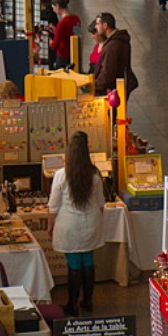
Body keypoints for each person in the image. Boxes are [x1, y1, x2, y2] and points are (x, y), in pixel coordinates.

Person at [48, 131, 104, 315]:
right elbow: (100, 203)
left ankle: (72, 303)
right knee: (88, 261)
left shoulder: (61, 175)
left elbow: (53, 206)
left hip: (68, 225)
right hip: (91, 223)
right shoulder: (95, 174)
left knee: (73, 264)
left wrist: (50, 226)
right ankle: (87, 300)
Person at [93, 12, 137, 96]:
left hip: (111, 92)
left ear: (105, 26)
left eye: (98, 24)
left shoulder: (112, 47)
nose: (96, 27)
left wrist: (94, 87)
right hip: (119, 87)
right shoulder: (121, 40)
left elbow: (107, 73)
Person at [49, 0, 81, 69]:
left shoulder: (62, 24)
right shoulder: (76, 19)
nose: (53, 10)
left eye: (53, 8)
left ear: (57, 6)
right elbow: (76, 35)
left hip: (63, 57)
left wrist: (49, 39)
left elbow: (54, 46)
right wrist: (56, 31)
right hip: (74, 54)